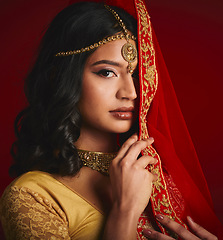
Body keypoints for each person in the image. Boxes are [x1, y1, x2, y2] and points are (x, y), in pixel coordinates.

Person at [0, 0, 222, 239]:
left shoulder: (158, 174)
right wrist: (124, 212)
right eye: (107, 72)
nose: (131, 92)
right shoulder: (32, 196)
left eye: (135, 74)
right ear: (60, 77)